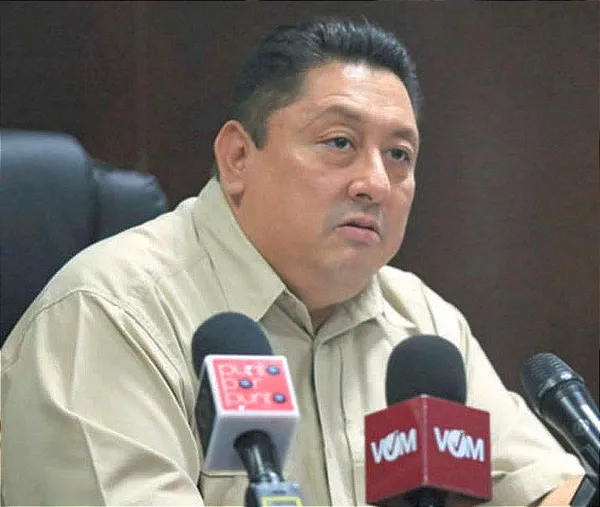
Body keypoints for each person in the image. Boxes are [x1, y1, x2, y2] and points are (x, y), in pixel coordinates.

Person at [0, 17, 586, 506]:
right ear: (237, 156)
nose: (375, 182)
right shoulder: (109, 315)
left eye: (399, 154)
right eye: (340, 142)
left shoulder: (423, 329)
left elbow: (541, 487)